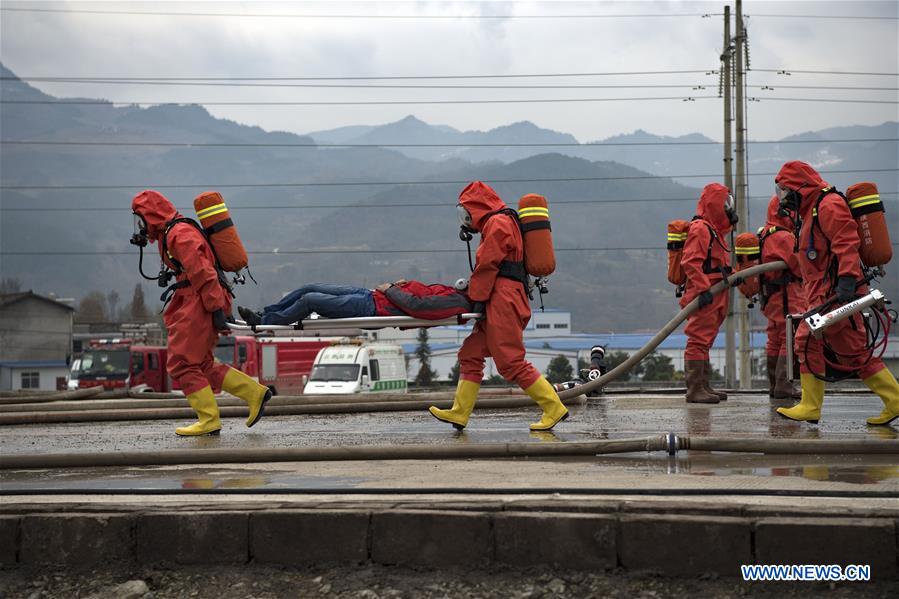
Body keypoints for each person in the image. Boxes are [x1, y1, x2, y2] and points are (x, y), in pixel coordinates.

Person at [428, 181, 569, 431]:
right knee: (471, 353)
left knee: (510, 361)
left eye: (467, 213)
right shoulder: (499, 222)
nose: (466, 219)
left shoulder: (498, 223)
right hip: (499, 296)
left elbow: (487, 264)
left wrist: (475, 297)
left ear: (477, 207)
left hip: (503, 298)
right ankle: (459, 413)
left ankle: (553, 407)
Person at [131, 190, 271, 436]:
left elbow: (203, 272)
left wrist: (216, 307)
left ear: (149, 214)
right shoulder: (170, 233)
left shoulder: (179, 234)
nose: (140, 225)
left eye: (140, 218)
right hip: (196, 300)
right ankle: (254, 393)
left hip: (198, 301)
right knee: (201, 363)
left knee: (182, 363)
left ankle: (208, 420)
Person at [773, 161, 899, 425]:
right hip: (824, 292)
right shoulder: (810, 211)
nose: (782, 197)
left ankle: (810, 405)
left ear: (799, 186)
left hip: (835, 292)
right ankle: (895, 399)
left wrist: (847, 281)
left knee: (805, 339)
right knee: (853, 353)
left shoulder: (828, 205)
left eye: (784, 190)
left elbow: (847, 243)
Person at [680, 183, 738, 404]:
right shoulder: (700, 229)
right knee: (698, 340)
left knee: (706, 341)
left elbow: (715, 262)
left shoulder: (714, 231)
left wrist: (733, 275)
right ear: (715, 204)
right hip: (704, 292)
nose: (728, 209)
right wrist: (704, 289)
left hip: (715, 291)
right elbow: (691, 262)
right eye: (724, 203)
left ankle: (703, 386)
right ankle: (695, 389)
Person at [237, 279, 472, 326]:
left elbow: (418, 307)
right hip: (372, 295)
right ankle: (266, 313)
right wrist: (401, 284)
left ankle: (264, 322)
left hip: (373, 308)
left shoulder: (457, 302)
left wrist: (391, 289)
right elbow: (420, 295)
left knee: (309, 300)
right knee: (308, 287)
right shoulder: (456, 293)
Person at [757, 195, 806, 399]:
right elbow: (800, 265)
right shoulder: (784, 237)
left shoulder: (765, 234)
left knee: (775, 339)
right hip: (788, 296)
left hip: (773, 297)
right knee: (790, 337)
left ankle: (774, 385)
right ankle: (784, 385)